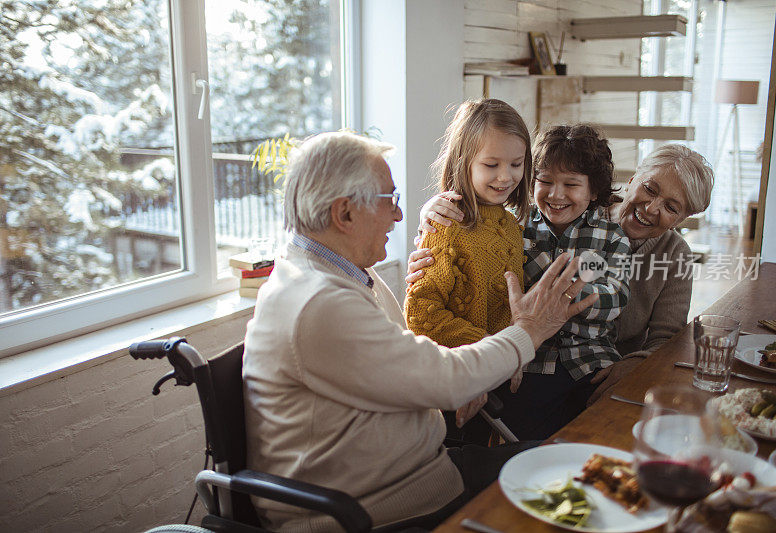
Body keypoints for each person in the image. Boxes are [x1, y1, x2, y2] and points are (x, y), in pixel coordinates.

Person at [242, 131, 598, 532]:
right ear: (344, 215)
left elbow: (405, 356)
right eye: (388, 201)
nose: (399, 215)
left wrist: (471, 366)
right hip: (377, 511)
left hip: (422, 476)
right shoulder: (318, 301)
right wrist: (528, 331)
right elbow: (446, 380)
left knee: (574, 467)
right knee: (575, 489)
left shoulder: (341, 275)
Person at [409, 142, 714, 430]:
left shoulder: (675, 255)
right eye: (649, 189)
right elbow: (478, 241)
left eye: (671, 207)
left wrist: (635, 365)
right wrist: (434, 226)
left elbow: (668, 339)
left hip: (602, 365)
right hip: (535, 357)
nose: (651, 207)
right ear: (633, 179)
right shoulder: (562, 210)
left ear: (683, 218)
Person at [403, 99, 531, 442]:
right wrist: (491, 350)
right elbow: (422, 315)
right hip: (457, 379)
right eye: (491, 164)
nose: (506, 176)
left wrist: (512, 356)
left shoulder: (510, 224)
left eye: (516, 164)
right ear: (464, 162)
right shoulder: (446, 223)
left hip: (497, 374)